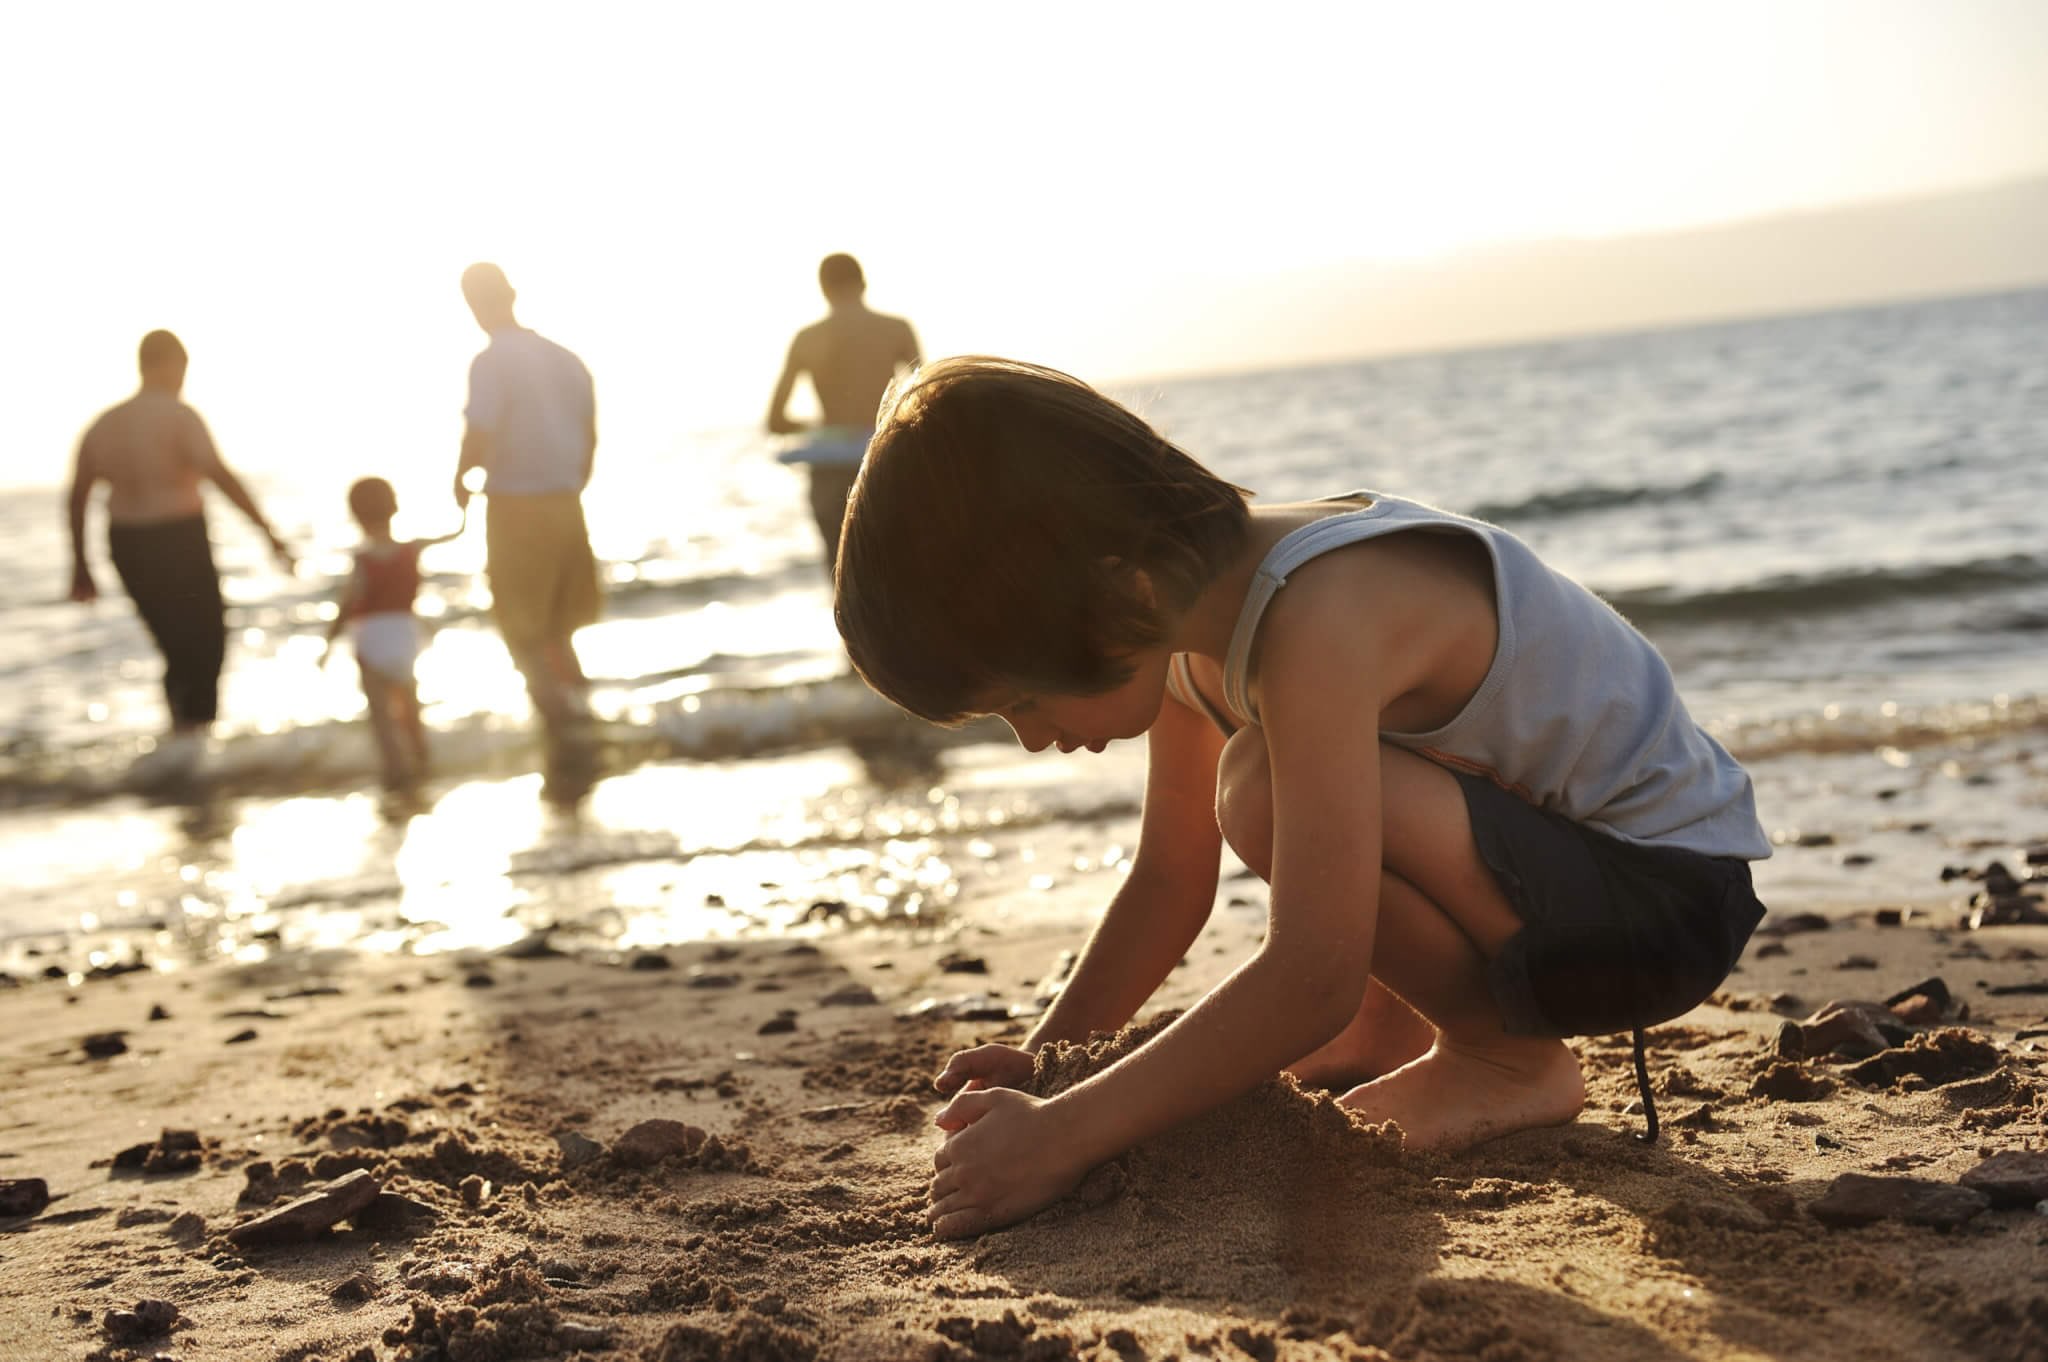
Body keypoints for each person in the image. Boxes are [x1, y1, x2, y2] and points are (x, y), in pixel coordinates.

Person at [832, 357, 1772, 1240]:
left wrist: (1065, 1135)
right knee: (1270, 783)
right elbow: (1168, 882)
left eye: (1019, 699)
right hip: (1567, 887)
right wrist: (1052, 1062)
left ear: (1117, 595)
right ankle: (1397, 1027)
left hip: (1662, 904)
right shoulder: (1189, 630)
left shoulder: (1322, 612)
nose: (1033, 738)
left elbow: (1308, 976)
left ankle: (1503, 1056)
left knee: (1260, 786)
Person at [65, 329, 294, 741]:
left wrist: (81, 565)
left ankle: (180, 738)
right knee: (205, 643)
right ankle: (193, 740)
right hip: (179, 540)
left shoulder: (105, 425)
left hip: (127, 544)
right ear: (168, 364)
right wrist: (269, 535)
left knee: (173, 644)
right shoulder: (178, 416)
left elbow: (77, 497)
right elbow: (221, 477)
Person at [451, 262, 601, 754]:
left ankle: (558, 728)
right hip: (566, 500)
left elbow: (481, 431)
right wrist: (572, 484)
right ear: (512, 293)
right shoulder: (566, 358)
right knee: (560, 624)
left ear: (476, 304)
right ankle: (583, 715)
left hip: (517, 504)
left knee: (523, 628)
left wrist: (460, 476)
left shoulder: (491, 362)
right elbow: (590, 435)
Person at [764, 253, 920, 569]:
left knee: (843, 580)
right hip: (886, 462)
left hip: (829, 471)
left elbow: (775, 421)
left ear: (823, 288)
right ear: (863, 283)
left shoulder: (806, 339)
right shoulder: (897, 329)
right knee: (900, 570)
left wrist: (825, 429)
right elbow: (922, 401)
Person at [322, 478, 466, 791]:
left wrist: (327, 645)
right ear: (394, 507)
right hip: (404, 635)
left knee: (382, 719)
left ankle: (396, 772)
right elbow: (455, 533)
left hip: (371, 637)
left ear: (355, 515)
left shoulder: (362, 559)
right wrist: (464, 509)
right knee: (410, 709)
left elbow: (347, 605)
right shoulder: (411, 548)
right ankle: (423, 762)